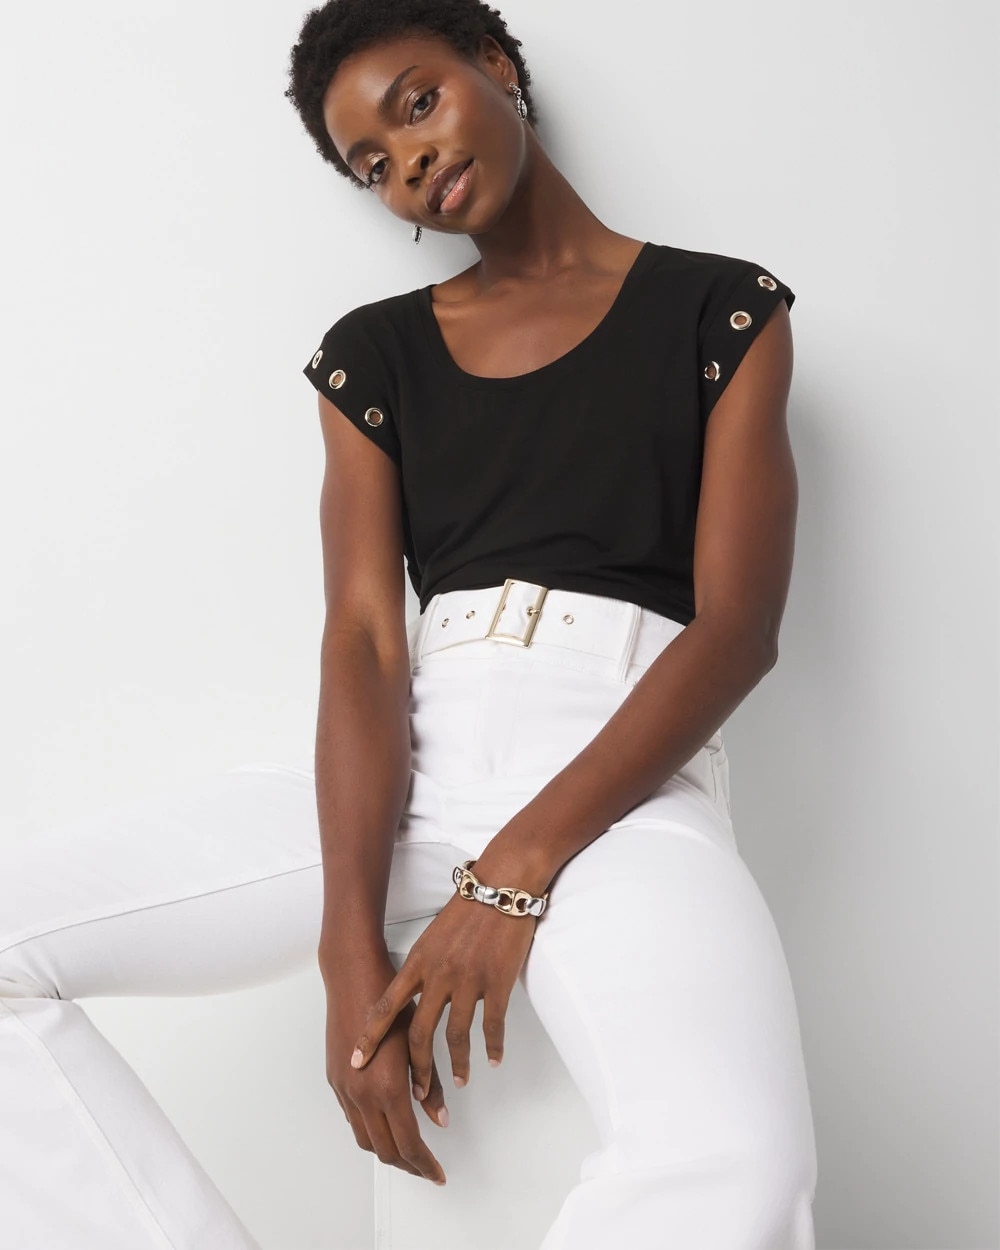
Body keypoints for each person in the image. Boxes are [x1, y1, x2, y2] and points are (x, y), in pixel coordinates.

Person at [0, 1, 818, 1247]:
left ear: (495, 65)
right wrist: (348, 955)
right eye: (371, 164)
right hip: (417, 761)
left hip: (623, 778)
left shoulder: (720, 308)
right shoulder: (373, 356)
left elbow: (737, 627)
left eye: (417, 104)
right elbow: (366, 644)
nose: (408, 161)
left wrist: (512, 874)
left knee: (738, 1156)